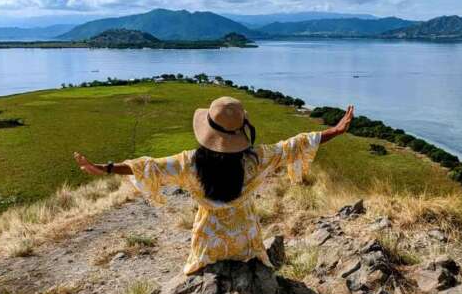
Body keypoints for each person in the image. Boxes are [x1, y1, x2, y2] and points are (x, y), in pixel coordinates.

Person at [74, 96, 354, 275]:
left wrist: (105, 167)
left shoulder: (190, 163)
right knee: (252, 241)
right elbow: (296, 144)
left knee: (196, 264)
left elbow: (148, 166)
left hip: (209, 244)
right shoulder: (256, 160)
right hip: (247, 242)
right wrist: (335, 131)